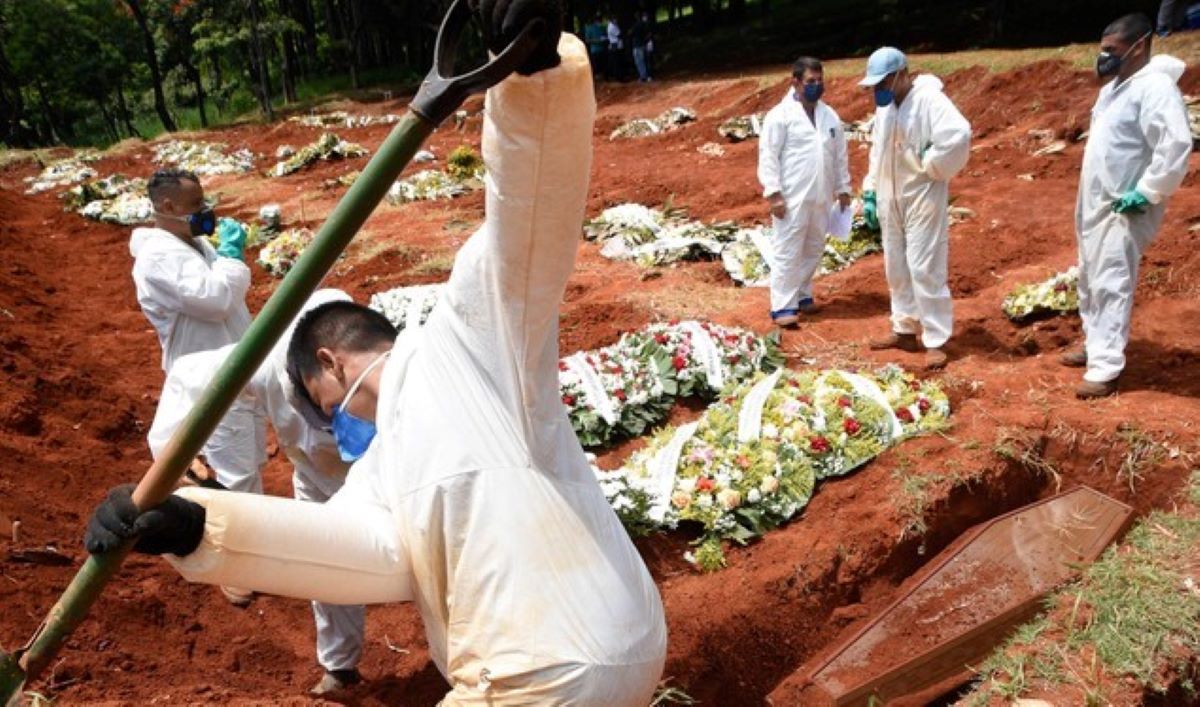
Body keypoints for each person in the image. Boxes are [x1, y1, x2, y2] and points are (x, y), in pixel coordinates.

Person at [85, 5, 668, 704]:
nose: (331, 427)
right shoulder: (387, 461)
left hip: (537, 664)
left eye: (320, 406)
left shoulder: (470, 339)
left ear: (330, 363)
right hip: (612, 650)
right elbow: (351, 551)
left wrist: (535, 80)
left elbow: (528, 225)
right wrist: (193, 525)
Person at [148, 289, 370, 694]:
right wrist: (178, 457)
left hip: (390, 472)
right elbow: (186, 378)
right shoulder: (267, 365)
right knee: (326, 568)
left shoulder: (399, 365)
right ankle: (340, 670)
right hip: (316, 476)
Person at [1063, 13, 1191, 398]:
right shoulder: (1113, 89)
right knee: (1089, 276)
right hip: (1095, 199)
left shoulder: (1155, 89)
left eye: (1112, 51)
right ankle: (1094, 342)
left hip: (1125, 202)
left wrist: (1149, 190)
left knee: (1111, 279)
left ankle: (1105, 370)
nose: (1104, 58)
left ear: (1140, 47)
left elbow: (1174, 144)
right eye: (1102, 50)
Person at [859, 47, 971, 370]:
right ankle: (904, 327)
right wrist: (870, 189)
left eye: (883, 83)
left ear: (901, 75)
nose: (878, 91)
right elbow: (877, 152)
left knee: (924, 265)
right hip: (890, 196)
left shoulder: (928, 100)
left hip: (921, 194)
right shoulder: (885, 110)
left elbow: (958, 135)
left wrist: (932, 163)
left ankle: (936, 338)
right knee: (895, 266)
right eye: (874, 86)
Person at [757, 57, 852, 327]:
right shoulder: (781, 116)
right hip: (791, 195)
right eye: (811, 81)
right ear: (795, 82)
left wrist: (843, 187)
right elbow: (769, 155)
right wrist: (773, 193)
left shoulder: (829, 115)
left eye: (820, 80)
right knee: (788, 249)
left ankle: (802, 294)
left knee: (814, 246)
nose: (817, 85)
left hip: (821, 194)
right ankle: (783, 307)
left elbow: (839, 154)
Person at [131, 168, 252, 373]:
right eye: (196, 204)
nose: (204, 209)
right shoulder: (158, 257)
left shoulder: (197, 243)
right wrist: (231, 256)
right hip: (203, 372)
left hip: (234, 360)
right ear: (168, 207)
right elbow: (216, 300)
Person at [629, 12, 652, 82]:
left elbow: (630, 33)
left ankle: (643, 76)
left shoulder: (635, 25)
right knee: (646, 60)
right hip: (644, 44)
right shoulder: (645, 24)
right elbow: (648, 34)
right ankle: (648, 76)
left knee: (639, 62)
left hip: (637, 45)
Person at [583, 13, 607, 77]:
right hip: (595, 50)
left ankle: (604, 77)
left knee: (604, 65)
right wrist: (597, 40)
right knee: (597, 66)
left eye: (600, 20)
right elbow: (587, 40)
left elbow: (606, 36)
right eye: (598, 20)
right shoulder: (590, 28)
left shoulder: (603, 27)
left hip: (603, 49)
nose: (600, 21)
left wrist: (605, 39)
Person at [606, 14, 624, 81]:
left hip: (615, 44)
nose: (616, 20)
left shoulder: (613, 25)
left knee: (616, 61)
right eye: (615, 19)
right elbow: (619, 34)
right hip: (615, 45)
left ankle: (617, 76)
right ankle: (619, 77)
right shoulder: (612, 27)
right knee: (617, 62)